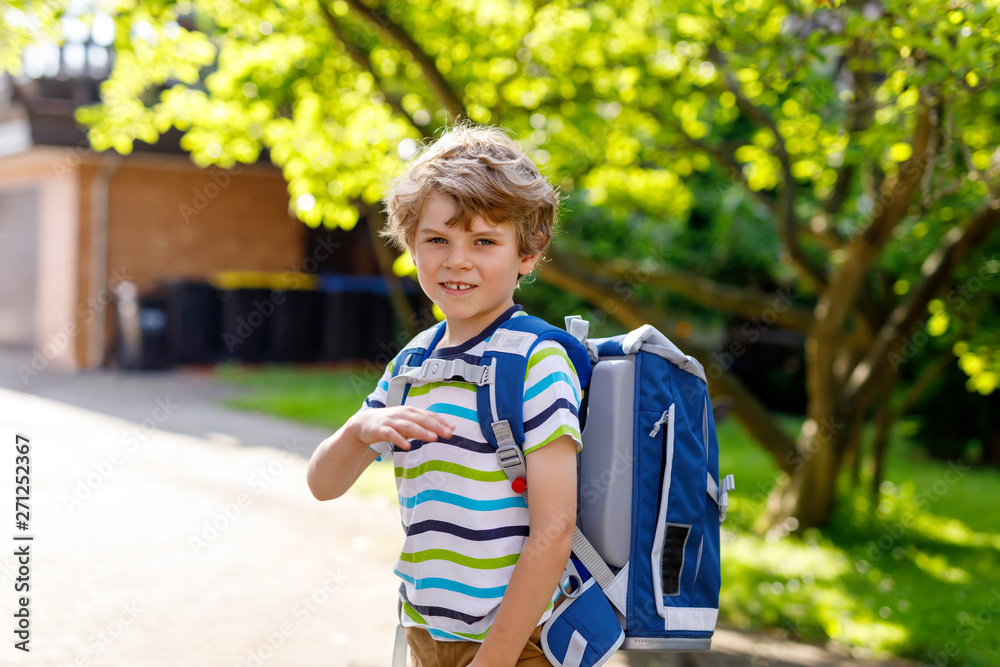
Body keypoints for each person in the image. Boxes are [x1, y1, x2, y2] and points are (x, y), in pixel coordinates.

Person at [306, 122, 583, 666]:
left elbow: (555, 529)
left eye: (484, 241)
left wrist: (494, 660)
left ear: (527, 254)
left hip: (519, 641)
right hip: (426, 634)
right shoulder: (412, 363)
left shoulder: (535, 359)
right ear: (411, 244)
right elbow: (323, 484)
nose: (457, 260)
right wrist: (360, 431)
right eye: (438, 239)